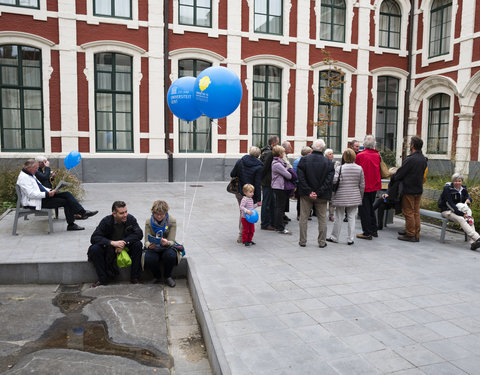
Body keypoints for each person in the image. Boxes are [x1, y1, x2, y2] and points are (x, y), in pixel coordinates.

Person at [16, 159, 97, 231]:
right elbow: (30, 194)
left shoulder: (30, 174)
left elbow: (41, 187)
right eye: (36, 168)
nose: (37, 170)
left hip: (41, 197)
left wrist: (51, 191)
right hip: (36, 202)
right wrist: (47, 194)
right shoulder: (24, 178)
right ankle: (72, 223)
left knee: (67, 194)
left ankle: (82, 213)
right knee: (66, 201)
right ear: (29, 168)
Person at [88, 201, 143, 287]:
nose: (125, 215)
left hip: (125, 247)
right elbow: (94, 237)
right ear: (114, 213)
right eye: (122, 213)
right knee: (95, 249)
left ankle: (134, 277)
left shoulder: (130, 219)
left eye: (126, 212)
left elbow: (139, 234)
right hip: (109, 248)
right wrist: (112, 243)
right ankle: (102, 279)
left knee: (138, 245)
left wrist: (123, 242)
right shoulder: (106, 221)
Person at [297, 139, 334, 247]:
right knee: (322, 218)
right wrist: (318, 192)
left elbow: (301, 177)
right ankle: (322, 242)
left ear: (313, 148)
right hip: (321, 195)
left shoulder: (304, 160)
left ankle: (302, 241)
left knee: (303, 217)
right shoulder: (328, 162)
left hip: (306, 194)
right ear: (323, 149)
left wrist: (309, 191)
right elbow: (328, 181)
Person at [327, 148, 365, 245]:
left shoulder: (339, 168)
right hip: (354, 196)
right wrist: (360, 196)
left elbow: (334, 181)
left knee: (339, 216)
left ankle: (334, 237)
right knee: (352, 217)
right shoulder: (359, 168)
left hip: (341, 195)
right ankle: (350, 239)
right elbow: (362, 185)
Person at [394, 136, 428, 242]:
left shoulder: (410, 159)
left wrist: (394, 177)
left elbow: (400, 173)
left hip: (409, 189)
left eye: (410, 143)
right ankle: (415, 233)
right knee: (416, 212)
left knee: (408, 212)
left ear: (412, 145)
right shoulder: (423, 159)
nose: (409, 145)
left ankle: (410, 234)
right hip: (418, 189)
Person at [143, 200, 183, 287]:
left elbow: (172, 240)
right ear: (153, 212)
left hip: (167, 247)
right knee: (149, 258)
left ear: (166, 213)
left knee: (170, 256)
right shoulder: (148, 221)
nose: (159, 216)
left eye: (162, 214)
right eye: (156, 214)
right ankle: (156, 276)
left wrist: (167, 242)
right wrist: (149, 245)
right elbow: (146, 240)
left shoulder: (172, 221)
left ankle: (167, 276)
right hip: (154, 247)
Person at [438, 173, 480, 250]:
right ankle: (477, 237)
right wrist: (461, 214)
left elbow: (468, 197)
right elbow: (449, 203)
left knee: (470, 219)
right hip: (447, 211)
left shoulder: (463, 189)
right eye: (455, 181)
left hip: (458, 210)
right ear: (452, 181)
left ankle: (473, 243)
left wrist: (469, 200)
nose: (457, 183)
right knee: (461, 219)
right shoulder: (447, 189)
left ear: (462, 181)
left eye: (459, 181)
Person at [230, 146, 263, 243]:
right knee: (248, 212)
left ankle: (241, 236)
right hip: (251, 193)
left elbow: (232, 174)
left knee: (242, 212)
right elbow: (257, 183)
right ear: (258, 155)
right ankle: (243, 235)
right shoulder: (259, 166)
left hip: (240, 191)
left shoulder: (240, 161)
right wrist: (258, 198)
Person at [355, 135, 381, 240]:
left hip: (364, 186)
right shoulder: (377, 155)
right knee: (370, 207)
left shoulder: (360, 156)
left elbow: (357, 171)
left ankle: (367, 232)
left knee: (364, 210)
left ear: (364, 144)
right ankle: (374, 229)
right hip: (374, 185)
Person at [271, 145, 294, 234]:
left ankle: (278, 225)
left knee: (279, 206)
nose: (284, 153)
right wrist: (289, 170)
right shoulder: (277, 164)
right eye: (283, 152)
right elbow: (289, 175)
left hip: (278, 186)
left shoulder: (277, 162)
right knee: (280, 207)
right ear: (280, 154)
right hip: (279, 187)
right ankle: (280, 227)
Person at [260, 135, 279, 231]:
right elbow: (265, 168)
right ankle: (265, 223)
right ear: (273, 143)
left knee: (272, 202)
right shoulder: (269, 153)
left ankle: (271, 222)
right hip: (268, 182)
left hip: (269, 181)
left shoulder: (267, 152)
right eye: (277, 142)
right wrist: (262, 180)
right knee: (267, 203)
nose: (278, 144)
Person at [293, 146, 312, 220]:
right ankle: (299, 215)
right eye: (310, 153)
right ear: (307, 153)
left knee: (303, 199)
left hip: (300, 182)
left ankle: (304, 214)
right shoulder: (300, 161)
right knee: (300, 200)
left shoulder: (298, 160)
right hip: (300, 183)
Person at [325, 148, 339, 222]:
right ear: (326, 156)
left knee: (332, 201)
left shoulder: (336, 163)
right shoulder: (324, 163)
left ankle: (331, 215)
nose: (332, 155)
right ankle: (323, 214)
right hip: (326, 184)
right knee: (324, 200)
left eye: (332, 153)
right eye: (330, 154)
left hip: (333, 184)